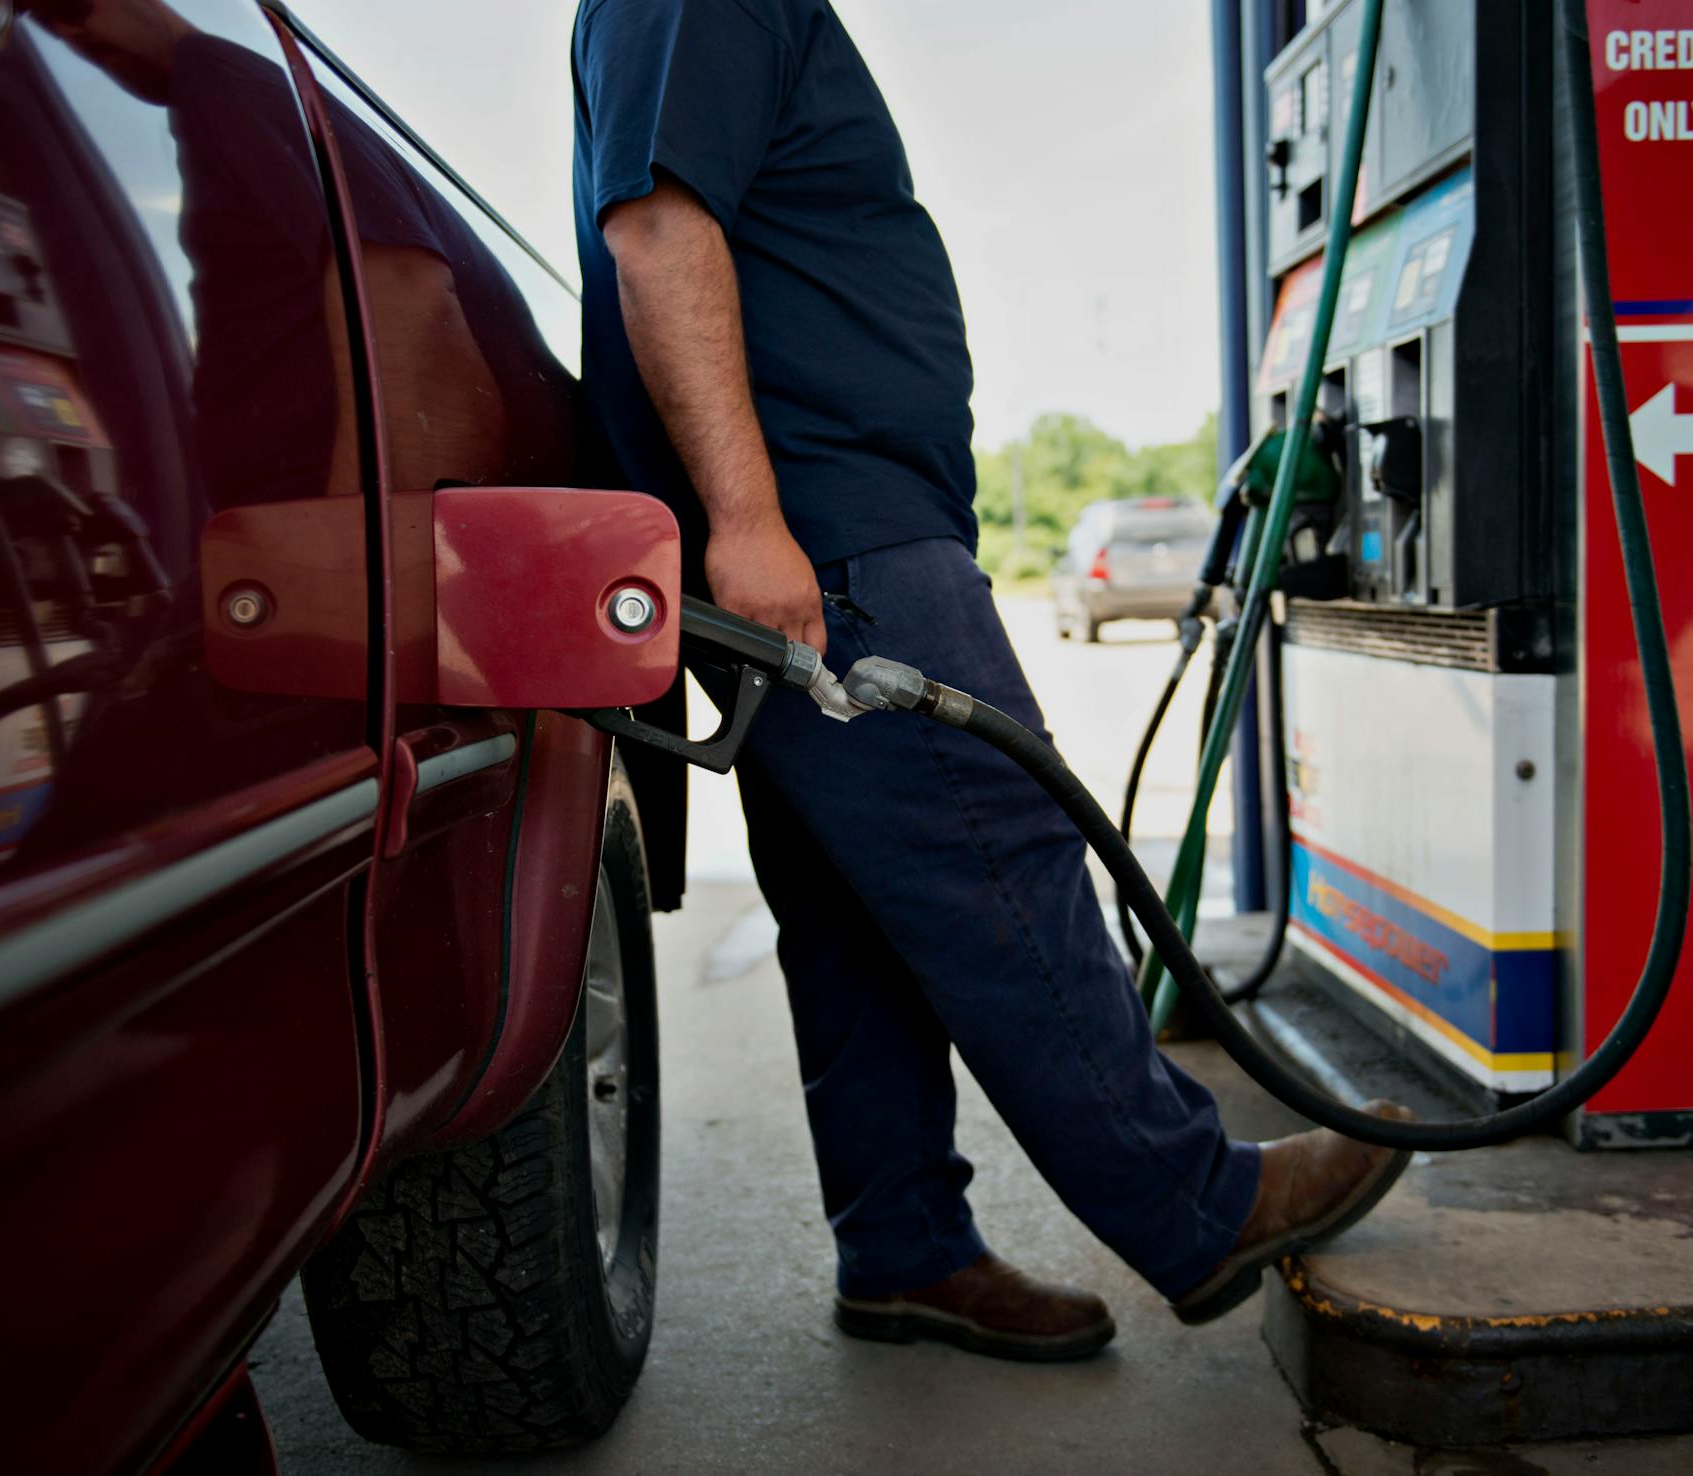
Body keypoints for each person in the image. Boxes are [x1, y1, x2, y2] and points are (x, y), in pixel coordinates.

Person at [573, 0, 1409, 1362]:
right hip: (829, 527)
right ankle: (1197, 1202)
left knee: (859, 920)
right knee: (999, 851)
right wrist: (748, 515)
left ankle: (903, 1249)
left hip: (819, 523)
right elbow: (658, 227)